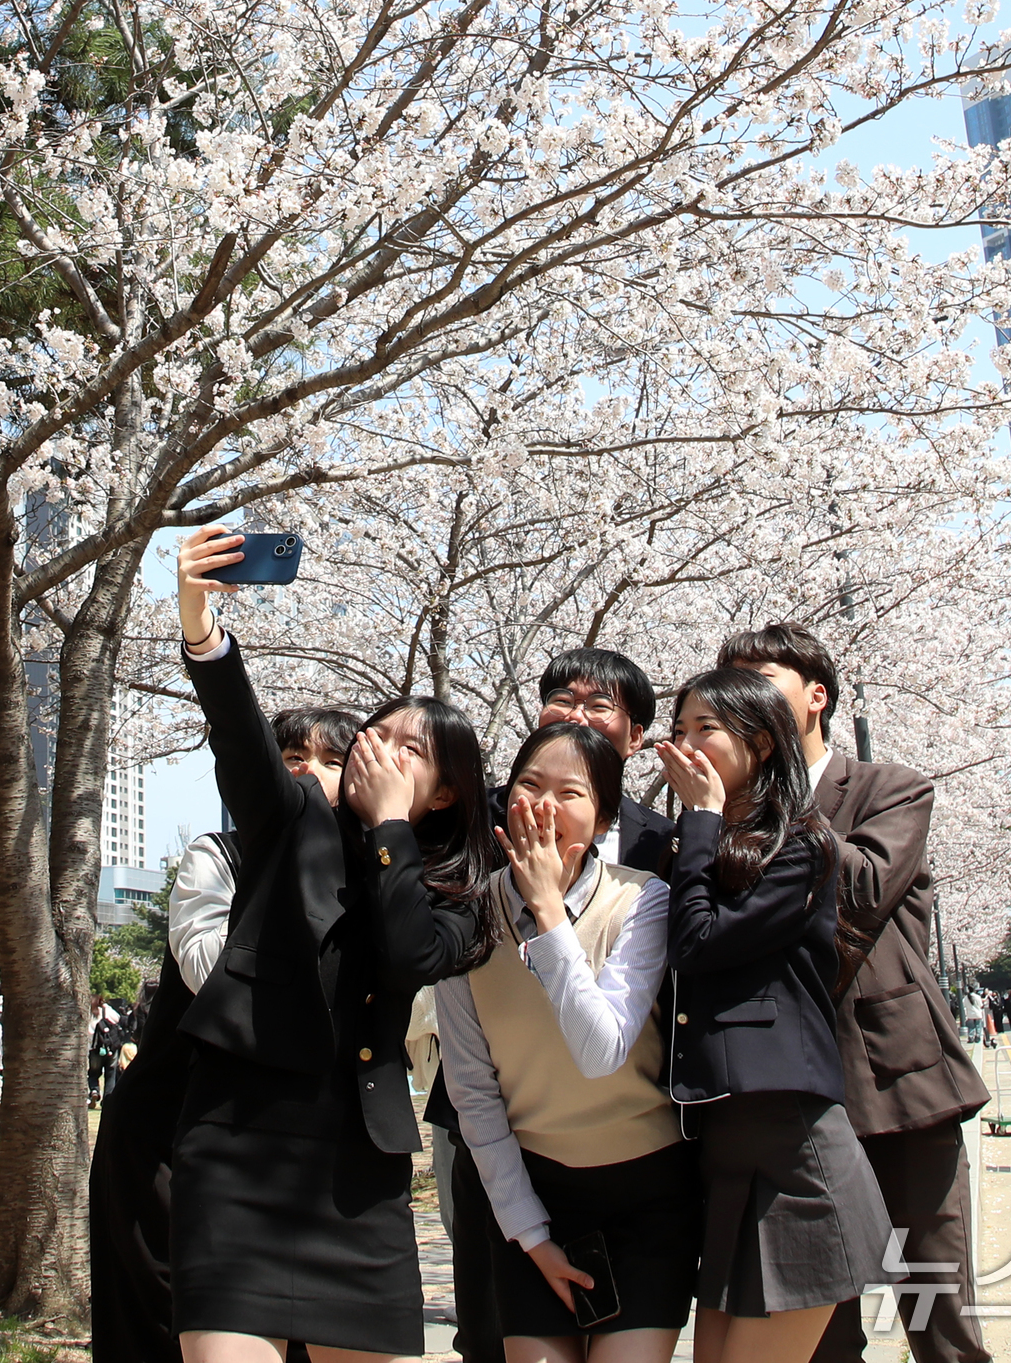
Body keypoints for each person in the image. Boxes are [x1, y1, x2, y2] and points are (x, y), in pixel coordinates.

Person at [170, 523, 497, 1363]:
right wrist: (202, 627)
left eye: (409, 749)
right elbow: (241, 743)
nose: (377, 750)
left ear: (448, 791)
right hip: (240, 1142)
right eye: (375, 734)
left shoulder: (457, 895)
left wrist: (389, 828)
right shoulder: (296, 817)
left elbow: (409, 955)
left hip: (360, 1167)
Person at [716, 624, 988, 1363]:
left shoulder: (889, 788)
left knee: (941, 1317)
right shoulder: (718, 816)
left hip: (900, 1083)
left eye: (759, 679)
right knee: (822, 1331)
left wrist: (766, 806)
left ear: (816, 695)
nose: (740, 698)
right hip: (790, 1098)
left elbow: (861, 890)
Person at [91, 701, 361, 1363]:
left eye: (331, 761)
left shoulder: (370, 878)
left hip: (291, 1148)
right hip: (170, 1137)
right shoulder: (216, 857)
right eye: (292, 759)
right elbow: (214, 972)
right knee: (166, 1324)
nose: (308, 775)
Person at [435, 645, 674, 1363]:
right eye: (528, 784)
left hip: (644, 1181)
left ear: (605, 812)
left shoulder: (650, 881)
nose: (543, 804)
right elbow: (471, 1084)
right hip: (521, 1174)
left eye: (570, 793)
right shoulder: (467, 908)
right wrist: (529, 1231)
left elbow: (604, 1050)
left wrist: (549, 914)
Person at [658, 667, 899, 1363]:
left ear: (762, 743)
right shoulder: (699, 844)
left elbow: (696, 941)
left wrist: (700, 817)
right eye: (681, 729)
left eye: (707, 726)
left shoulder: (803, 844)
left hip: (793, 1146)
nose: (688, 741)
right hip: (727, 1148)